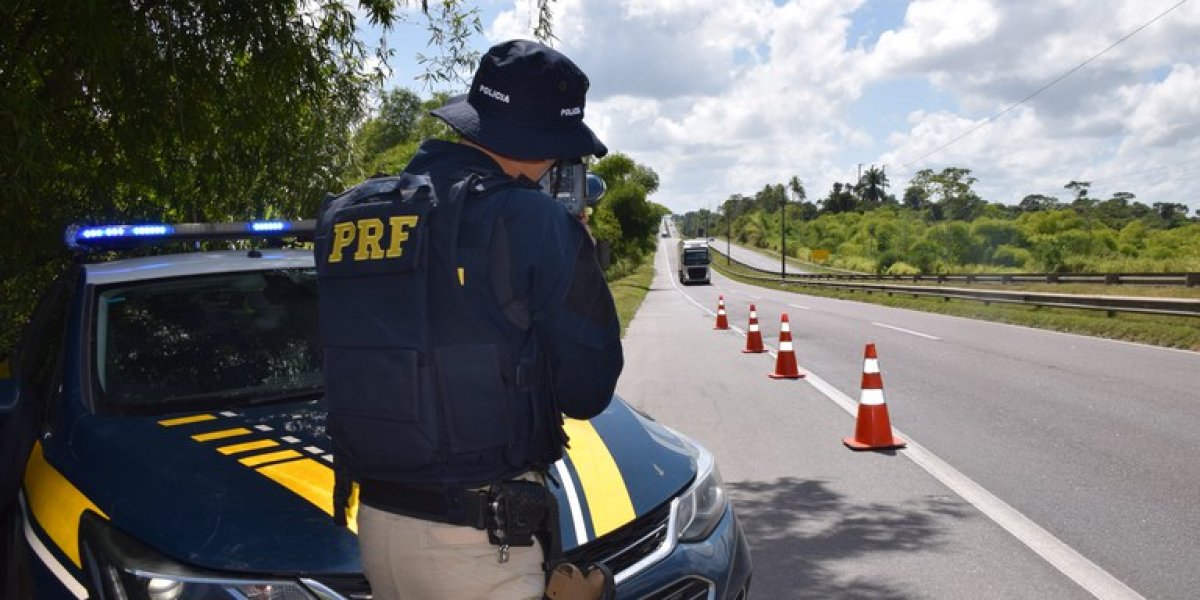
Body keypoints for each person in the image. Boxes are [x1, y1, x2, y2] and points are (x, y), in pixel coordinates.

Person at [316, 40, 623, 599]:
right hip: (480, 547)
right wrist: (577, 258)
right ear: (543, 145)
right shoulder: (531, 220)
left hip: (378, 531)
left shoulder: (349, 214)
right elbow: (588, 390)